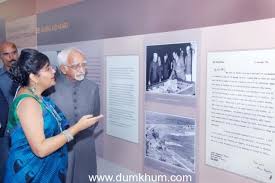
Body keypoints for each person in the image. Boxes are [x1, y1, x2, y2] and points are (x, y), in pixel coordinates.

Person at [4, 49, 103, 183]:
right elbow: (40, 149)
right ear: (33, 76)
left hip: (47, 169)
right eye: (47, 68)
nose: (53, 71)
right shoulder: (29, 103)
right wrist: (77, 128)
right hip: (32, 173)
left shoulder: (38, 97)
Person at [50, 48, 100, 183]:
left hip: (85, 146)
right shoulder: (50, 89)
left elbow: (95, 117)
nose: (82, 70)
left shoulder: (92, 88)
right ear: (63, 69)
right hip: (60, 148)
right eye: (76, 66)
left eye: (84, 64)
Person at [0, 41, 19, 182]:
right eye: (6, 54)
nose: (11, 57)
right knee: (7, 169)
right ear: (1, 57)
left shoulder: (28, 75)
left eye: (13, 52)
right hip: (7, 133)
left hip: (29, 128)